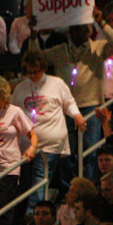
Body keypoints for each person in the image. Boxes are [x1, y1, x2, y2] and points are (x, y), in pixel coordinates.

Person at [11, 51, 86, 210]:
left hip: (51, 142)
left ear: (42, 68)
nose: (32, 75)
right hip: (27, 144)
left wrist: (77, 116)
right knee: (26, 180)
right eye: (29, 72)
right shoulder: (21, 88)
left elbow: (69, 103)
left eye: (35, 71)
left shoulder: (57, 83)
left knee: (40, 176)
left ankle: (33, 213)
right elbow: (13, 111)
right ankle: (31, 211)